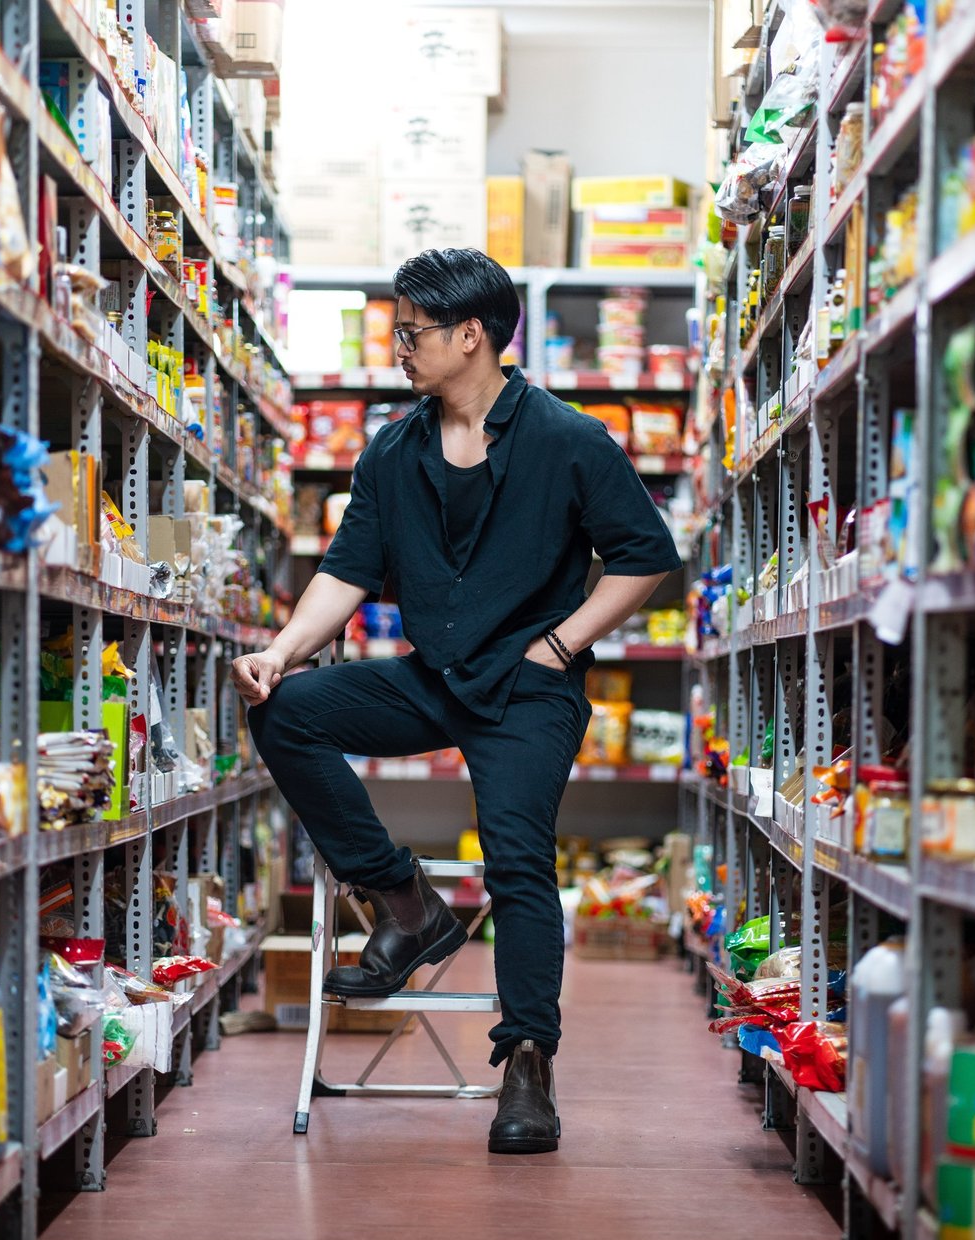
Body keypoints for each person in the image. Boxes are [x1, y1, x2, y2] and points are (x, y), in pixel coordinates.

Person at [234, 248, 680, 1154]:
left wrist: (562, 643)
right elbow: (347, 571)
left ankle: (526, 1064)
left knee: (518, 859)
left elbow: (644, 556)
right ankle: (406, 903)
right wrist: (280, 651)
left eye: (413, 332)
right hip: (431, 680)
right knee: (287, 711)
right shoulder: (395, 449)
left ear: (470, 335)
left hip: (526, 691)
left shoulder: (569, 439)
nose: (398, 347)